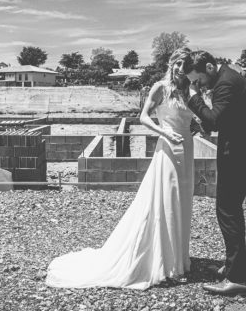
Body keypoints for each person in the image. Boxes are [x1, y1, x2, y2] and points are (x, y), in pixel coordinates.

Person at [46, 48, 195, 290]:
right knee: (167, 201)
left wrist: (196, 125)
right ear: (171, 64)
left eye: (185, 65)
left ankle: (179, 258)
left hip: (187, 148)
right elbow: (144, 116)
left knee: (183, 202)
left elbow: (190, 117)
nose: (180, 69)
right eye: (178, 64)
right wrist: (164, 132)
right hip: (168, 147)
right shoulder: (160, 87)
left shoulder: (190, 90)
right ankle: (166, 263)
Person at [182, 50, 246, 295]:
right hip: (244, 153)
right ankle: (233, 267)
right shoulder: (226, 79)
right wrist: (202, 123)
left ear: (209, 67)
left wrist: (193, 99)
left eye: (197, 79)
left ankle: (237, 279)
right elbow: (215, 121)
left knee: (228, 212)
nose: (197, 85)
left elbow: (215, 119)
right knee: (229, 210)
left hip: (242, 156)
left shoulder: (226, 84)